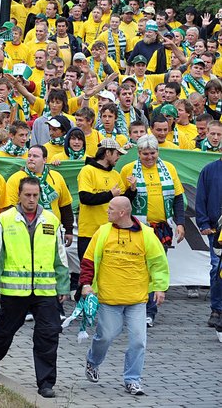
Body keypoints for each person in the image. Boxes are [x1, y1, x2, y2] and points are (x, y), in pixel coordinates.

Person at [0, 177, 70, 399]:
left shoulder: (51, 220)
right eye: (27, 195)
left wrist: (63, 286)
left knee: (48, 335)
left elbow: (60, 257)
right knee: (5, 330)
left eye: (35, 195)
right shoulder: (4, 220)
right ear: (19, 196)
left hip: (45, 290)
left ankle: (46, 383)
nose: (32, 200)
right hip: (15, 290)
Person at [80, 196, 170, 396]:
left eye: (111, 209)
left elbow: (158, 263)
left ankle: (132, 379)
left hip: (137, 300)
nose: (107, 211)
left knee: (138, 341)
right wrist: (86, 284)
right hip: (108, 299)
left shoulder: (146, 235)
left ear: (123, 213)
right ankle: (93, 362)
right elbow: (88, 261)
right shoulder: (102, 232)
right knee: (106, 336)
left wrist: (160, 287)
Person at [119, 135, 186, 327]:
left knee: (155, 268)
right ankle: (133, 307)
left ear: (158, 152)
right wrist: (131, 190)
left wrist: (180, 223)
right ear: (138, 153)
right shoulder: (128, 169)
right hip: (137, 228)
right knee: (135, 270)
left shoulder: (169, 168)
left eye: (153, 153)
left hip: (160, 228)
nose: (149, 157)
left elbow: (178, 198)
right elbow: (122, 203)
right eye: (145, 154)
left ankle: (149, 311)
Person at [74, 137, 126, 300]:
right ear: (107, 153)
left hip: (110, 231)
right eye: (117, 154)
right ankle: (81, 302)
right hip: (89, 231)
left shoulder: (116, 175)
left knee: (106, 270)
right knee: (88, 271)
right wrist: (110, 194)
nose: (118, 157)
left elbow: (122, 201)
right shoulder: (87, 171)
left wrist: (132, 191)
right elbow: (85, 198)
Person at [194, 145, 222, 331]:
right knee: (217, 269)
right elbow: (201, 197)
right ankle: (217, 309)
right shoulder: (209, 170)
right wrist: (203, 223)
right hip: (216, 230)